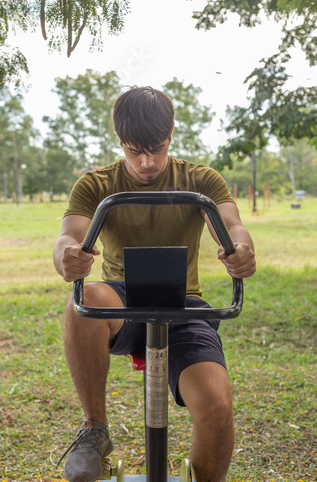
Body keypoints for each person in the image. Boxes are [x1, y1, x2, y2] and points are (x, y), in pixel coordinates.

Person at [53, 86, 256, 482]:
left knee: (216, 406)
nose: (146, 162)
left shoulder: (201, 180)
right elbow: (68, 236)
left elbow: (232, 226)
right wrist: (67, 254)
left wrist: (241, 248)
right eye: (133, 151)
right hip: (122, 300)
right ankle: (94, 429)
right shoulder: (96, 184)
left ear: (172, 133)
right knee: (83, 297)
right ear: (119, 141)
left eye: (156, 149)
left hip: (184, 304)